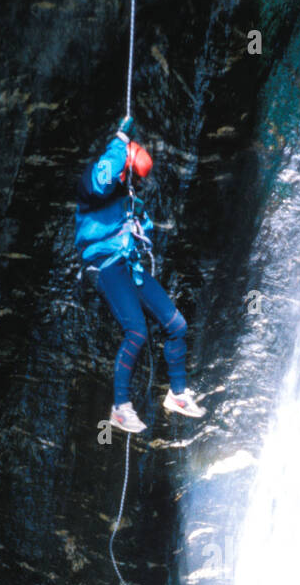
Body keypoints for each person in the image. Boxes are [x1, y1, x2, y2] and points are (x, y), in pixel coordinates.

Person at [75, 116, 206, 433]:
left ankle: (177, 395)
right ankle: (120, 408)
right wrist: (120, 142)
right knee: (137, 332)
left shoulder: (128, 197)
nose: (132, 178)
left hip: (128, 265)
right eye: (130, 172)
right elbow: (101, 181)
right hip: (104, 264)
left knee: (176, 324)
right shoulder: (93, 182)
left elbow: (141, 228)